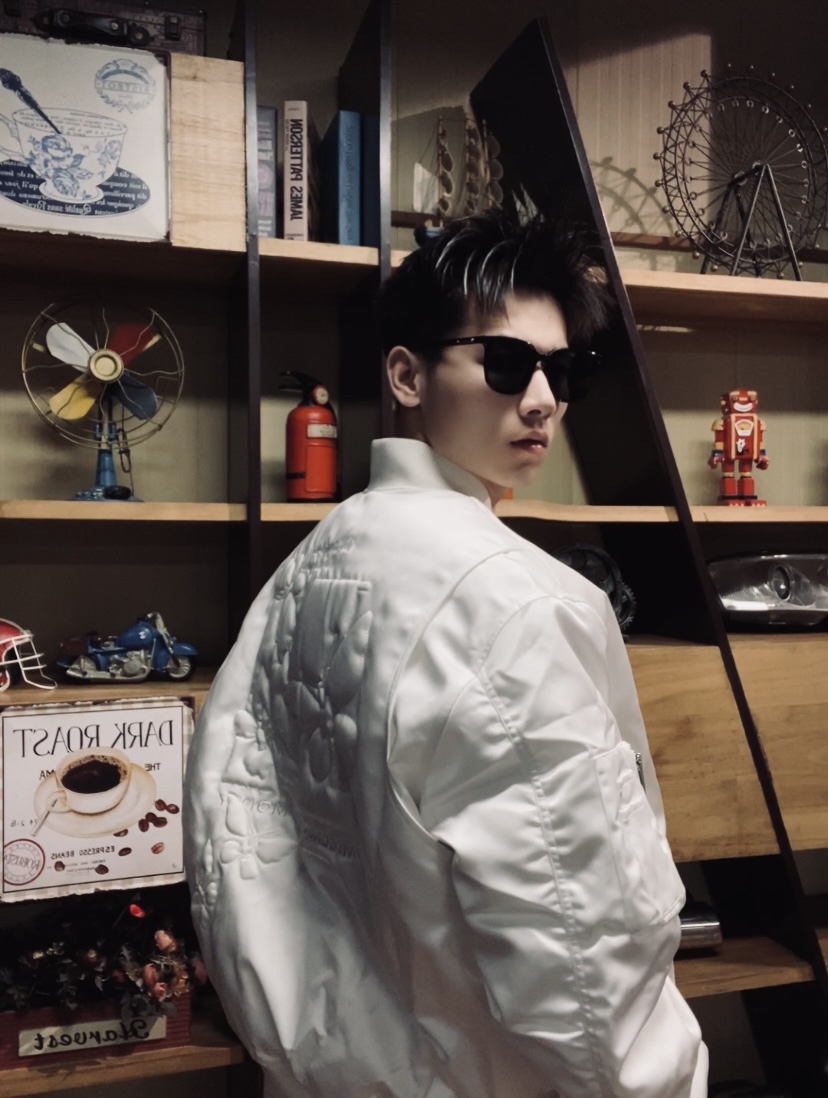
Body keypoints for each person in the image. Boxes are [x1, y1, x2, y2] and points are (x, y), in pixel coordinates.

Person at [183, 208, 708, 1098]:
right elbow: (586, 966)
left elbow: (227, 842)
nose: (542, 400)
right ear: (407, 374)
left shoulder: (309, 566)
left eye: (563, 371)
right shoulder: (516, 603)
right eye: (505, 362)